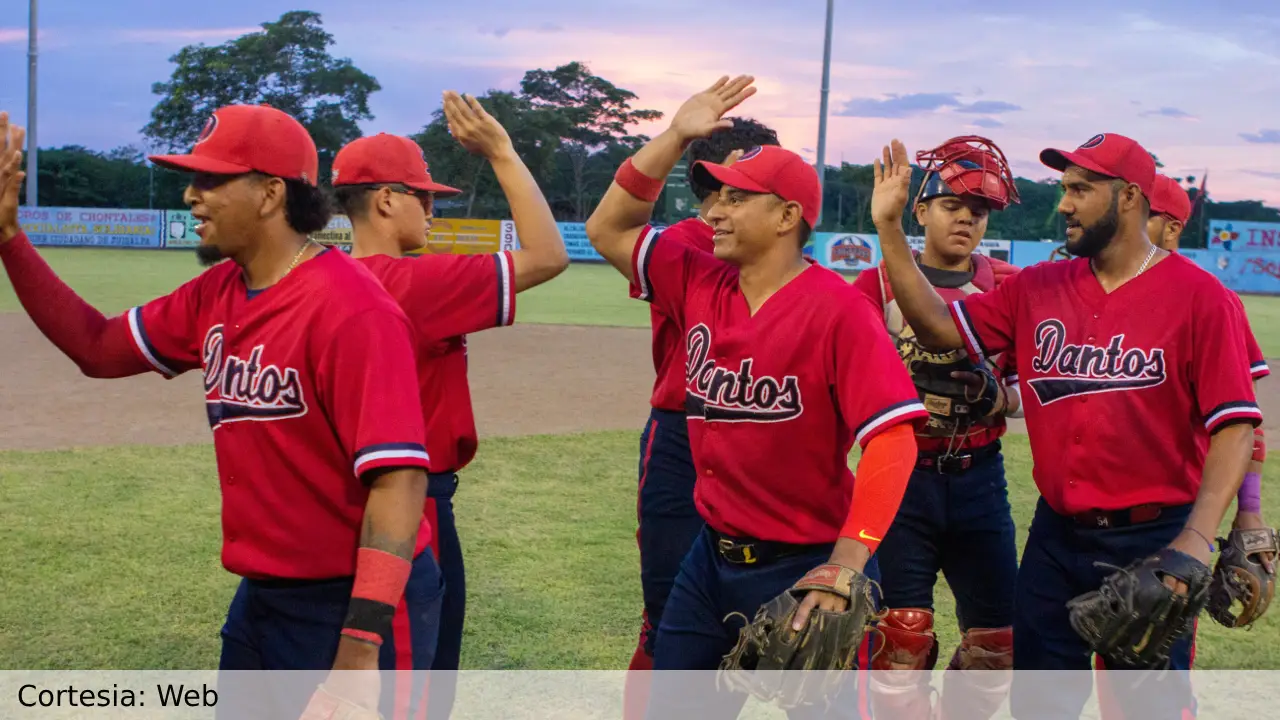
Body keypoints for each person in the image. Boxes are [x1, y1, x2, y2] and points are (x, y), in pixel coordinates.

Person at [0, 107, 441, 720]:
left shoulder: (352, 309)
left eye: (210, 180)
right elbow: (98, 349)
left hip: (355, 607)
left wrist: (359, 655)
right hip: (263, 596)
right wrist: (9, 239)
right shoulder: (217, 293)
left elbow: (399, 481)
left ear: (269, 193)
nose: (191, 195)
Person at [868, 132, 1261, 719]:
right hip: (1055, 538)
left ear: (1129, 197)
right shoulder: (1038, 286)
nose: (1065, 204)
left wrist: (1197, 542)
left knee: (1145, 708)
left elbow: (1234, 426)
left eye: (1081, 189)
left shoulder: (1201, 298)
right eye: (1064, 189)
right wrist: (891, 230)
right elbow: (939, 329)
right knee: (1039, 703)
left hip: (1154, 538)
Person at [585, 76, 928, 719]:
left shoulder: (838, 312)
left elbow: (892, 436)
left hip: (805, 565)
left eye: (736, 197)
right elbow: (607, 226)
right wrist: (678, 134)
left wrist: (847, 566)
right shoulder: (696, 278)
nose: (714, 210)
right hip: (708, 558)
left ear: (787, 216)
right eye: (716, 195)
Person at [330, 91, 569, 717]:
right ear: (386, 199)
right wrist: (502, 152)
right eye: (424, 196)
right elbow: (549, 254)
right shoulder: (415, 281)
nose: (432, 208)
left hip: (337, 502)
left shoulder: (323, 279)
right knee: (417, 685)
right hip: (416, 506)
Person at [851, 135, 1022, 720]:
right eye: (953, 207)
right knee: (900, 636)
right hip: (901, 479)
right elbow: (841, 378)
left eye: (978, 214)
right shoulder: (875, 286)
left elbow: (1037, 385)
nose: (966, 221)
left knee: (998, 644)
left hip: (979, 476)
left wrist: (998, 395)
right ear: (920, 211)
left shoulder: (1007, 283)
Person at [623, 116, 780, 720]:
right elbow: (613, 225)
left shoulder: (774, 244)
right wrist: (676, 137)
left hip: (760, 432)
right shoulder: (688, 240)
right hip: (683, 432)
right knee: (665, 618)